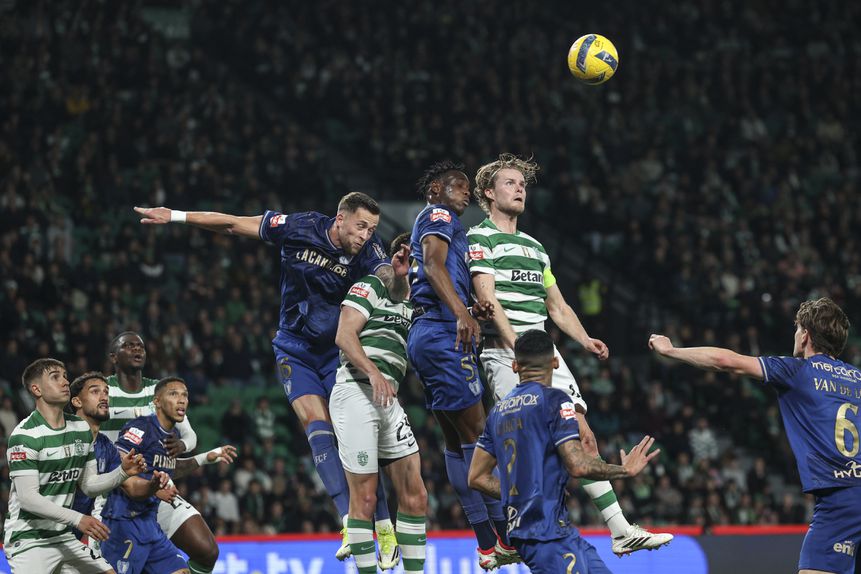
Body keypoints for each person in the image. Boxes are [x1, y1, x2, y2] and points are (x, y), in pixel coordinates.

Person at [134, 192, 400, 561]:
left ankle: (384, 525)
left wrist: (394, 277)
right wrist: (176, 215)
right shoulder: (300, 227)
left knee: (355, 434)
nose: (365, 235)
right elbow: (232, 223)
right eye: (360, 226)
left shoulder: (369, 251)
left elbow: (387, 275)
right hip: (294, 349)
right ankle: (350, 522)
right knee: (317, 430)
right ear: (340, 218)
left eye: (371, 229)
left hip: (338, 352)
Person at [468, 153, 672, 555]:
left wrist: (584, 339)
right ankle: (512, 532)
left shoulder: (536, 248)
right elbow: (488, 299)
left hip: (546, 353)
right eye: (510, 183)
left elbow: (557, 306)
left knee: (584, 435)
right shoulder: (480, 238)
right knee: (528, 448)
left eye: (522, 184)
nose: (520, 189)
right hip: (507, 354)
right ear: (489, 193)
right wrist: (518, 348)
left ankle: (620, 530)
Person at [649, 297, 861, 574]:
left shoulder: (797, 371)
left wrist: (672, 350)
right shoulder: (857, 378)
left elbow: (726, 361)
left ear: (805, 335)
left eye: (797, 328)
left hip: (840, 499)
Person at [468, 330, 661, 574]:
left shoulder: (497, 413)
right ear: (555, 363)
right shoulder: (555, 400)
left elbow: (476, 477)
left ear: (515, 366)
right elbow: (577, 465)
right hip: (546, 536)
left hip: (556, 532)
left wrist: (525, 492)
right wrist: (624, 470)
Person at [406, 160, 514, 569]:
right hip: (441, 333)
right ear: (435, 189)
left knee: (456, 442)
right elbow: (433, 266)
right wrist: (462, 314)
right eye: (458, 185)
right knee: (480, 437)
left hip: (428, 333)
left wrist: (469, 306)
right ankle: (505, 535)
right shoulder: (438, 215)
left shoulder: (445, 224)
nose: (466, 192)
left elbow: (437, 275)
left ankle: (487, 542)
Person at [65, 372, 235, 568]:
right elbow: (119, 476)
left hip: (141, 512)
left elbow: (131, 480)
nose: (104, 397)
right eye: (96, 392)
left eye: (106, 392)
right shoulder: (136, 429)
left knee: (200, 556)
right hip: (102, 519)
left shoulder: (107, 446)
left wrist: (203, 458)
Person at [331, 232, 427, 573]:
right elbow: (344, 335)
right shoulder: (370, 285)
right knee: (366, 498)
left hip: (388, 400)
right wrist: (373, 372)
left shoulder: (417, 303)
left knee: (416, 495)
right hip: (356, 391)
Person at [4, 359, 147, 573]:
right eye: (55, 377)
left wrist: (122, 472)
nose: (64, 382)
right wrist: (78, 519)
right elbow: (28, 499)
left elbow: (89, 485)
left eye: (64, 376)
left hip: (63, 536)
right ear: (36, 389)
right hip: (29, 539)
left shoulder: (80, 428)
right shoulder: (25, 436)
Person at [101, 331, 219, 574]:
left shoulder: (159, 390)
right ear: (113, 357)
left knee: (207, 550)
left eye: (140, 346)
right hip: (114, 493)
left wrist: (183, 446)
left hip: (158, 488)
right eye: (129, 346)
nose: (137, 349)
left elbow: (190, 436)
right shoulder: (103, 390)